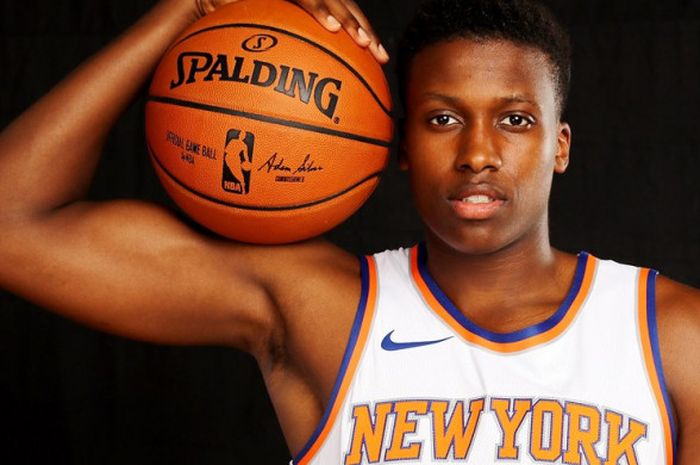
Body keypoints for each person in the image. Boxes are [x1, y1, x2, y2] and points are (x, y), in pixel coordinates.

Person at [0, 0, 698, 463]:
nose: (478, 152)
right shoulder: (322, 307)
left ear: (561, 145)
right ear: (396, 146)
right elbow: (13, 225)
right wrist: (192, 4)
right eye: (442, 118)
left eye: (515, 119)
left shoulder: (673, 335)